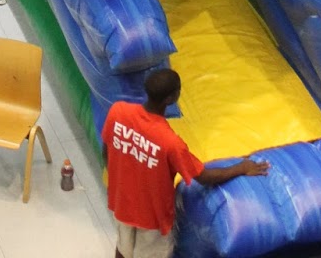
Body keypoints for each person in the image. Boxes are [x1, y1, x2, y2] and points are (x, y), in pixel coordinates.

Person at [103, 69, 268, 258]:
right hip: (152, 218)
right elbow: (204, 177)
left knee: (123, 247)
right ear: (171, 98)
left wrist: (120, 184)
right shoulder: (169, 142)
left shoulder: (118, 111)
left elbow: (106, 151)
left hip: (121, 202)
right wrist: (241, 167)